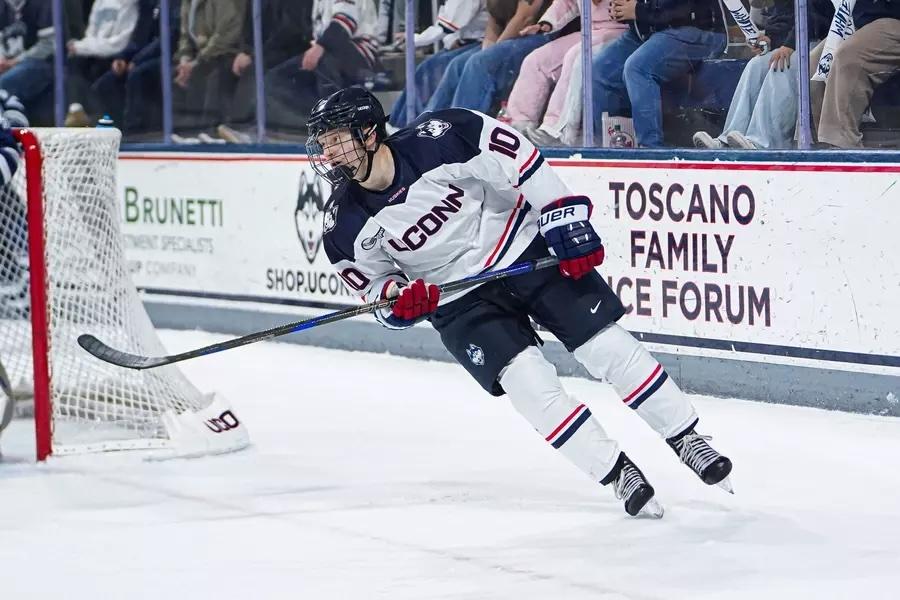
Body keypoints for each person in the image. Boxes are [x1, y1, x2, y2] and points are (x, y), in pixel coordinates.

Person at [309, 87, 734, 518]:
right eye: (322, 143)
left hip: (522, 247)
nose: (327, 151)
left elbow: (520, 159)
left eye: (336, 138)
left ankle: (686, 436)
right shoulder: (342, 224)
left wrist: (562, 214)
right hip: (459, 300)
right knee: (530, 388)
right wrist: (398, 302)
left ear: (368, 133)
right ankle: (617, 472)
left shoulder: (441, 137)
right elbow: (375, 291)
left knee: (605, 346)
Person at [693, 0, 833, 150]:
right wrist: (770, 39)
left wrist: (790, 44)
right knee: (756, 65)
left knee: (782, 65)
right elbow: (785, 17)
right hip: (797, 39)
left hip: (824, 39)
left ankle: (764, 142)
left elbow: (816, 15)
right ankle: (728, 139)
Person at [590, 0, 727, 147]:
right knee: (599, 70)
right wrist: (621, 8)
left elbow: (682, 6)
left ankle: (650, 151)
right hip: (647, 31)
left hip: (697, 29)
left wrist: (639, 10)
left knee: (637, 68)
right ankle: (608, 147)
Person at [505, 0, 627, 145]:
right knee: (535, 61)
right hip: (589, 31)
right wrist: (547, 23)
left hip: (621, 32)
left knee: (575, 57)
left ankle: (557, 131)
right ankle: (520, 126)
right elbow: (568, 3)